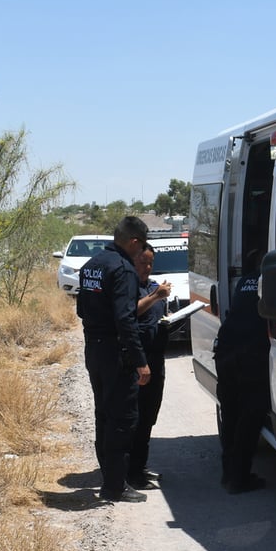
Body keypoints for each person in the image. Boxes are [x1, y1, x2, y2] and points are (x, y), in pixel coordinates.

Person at [77, 216, 151, 503]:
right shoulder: (123, 270)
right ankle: (115, 486)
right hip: (116, 353)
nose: (141, 252)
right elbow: (126, 319)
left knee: (103, 414)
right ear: (134, 242)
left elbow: (82, 310)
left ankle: (109, 477)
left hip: (94, 350)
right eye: (141, 246)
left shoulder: (91, 265)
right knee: (123, 419)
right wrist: (140, 360)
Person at [214, 250, 272, 494]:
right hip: (250, 357)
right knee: (250, 420)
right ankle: (240, 479)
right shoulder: (269, 284)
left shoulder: (243, 282)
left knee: (231, 416)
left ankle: (228, 473)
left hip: (227, 350)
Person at [128, 242, 172, 490]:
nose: (147, 268)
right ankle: (131, 473)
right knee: (136, 416)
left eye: (150, 263)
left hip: (157, 358)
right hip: (138, 360)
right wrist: (155, 296)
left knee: (149, 416)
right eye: (142, 263)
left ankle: (140, 467)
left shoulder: (154, 286)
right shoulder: (129, 287)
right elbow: (129, 313)